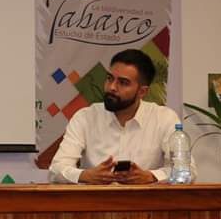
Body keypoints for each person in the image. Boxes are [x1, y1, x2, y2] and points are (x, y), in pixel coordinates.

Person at [49, 48, 185, 184]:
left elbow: (186, 171)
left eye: (123, 83)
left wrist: (150, 176)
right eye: (110, 78)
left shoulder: (164, 118)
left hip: (145, 203)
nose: (112, 87)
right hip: (95, 202)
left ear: (142, 92)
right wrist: (86, 175)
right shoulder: (85, 117)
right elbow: (56, 170)